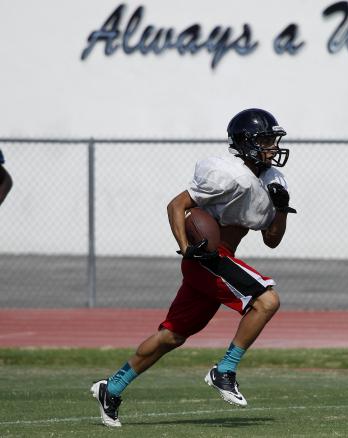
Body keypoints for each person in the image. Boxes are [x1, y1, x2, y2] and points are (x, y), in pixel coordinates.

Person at [91, 108, 297, 427]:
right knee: (267, 300)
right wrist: (187, 249)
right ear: (245, 143)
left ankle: (112, 387)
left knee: (171, 336)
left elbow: (272, 239)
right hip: (207, 259)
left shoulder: (272, 180)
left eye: (273, 139)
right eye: (265, 140)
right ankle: (225, 370)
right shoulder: (229, 173)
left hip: (218, 263)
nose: (272, 146)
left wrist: (281, 208)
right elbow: (177, 205)